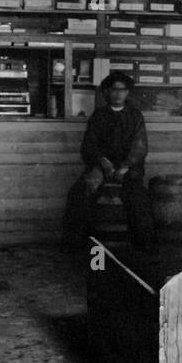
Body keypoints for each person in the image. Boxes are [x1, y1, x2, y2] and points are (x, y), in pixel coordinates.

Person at [64, 71, 151, 247]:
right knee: (79, 193)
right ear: (107, 92)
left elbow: (140, 146)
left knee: (138, 198)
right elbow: (89, 146)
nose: (118, 94)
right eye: (114, 90)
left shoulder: (135, 116)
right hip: (101, 165)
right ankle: (75, 244)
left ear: (128, 93)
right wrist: (103, 162)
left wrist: (126, 166)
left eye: (123, 90)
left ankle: (144, 247)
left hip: (129, 167)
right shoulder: (98, 116)